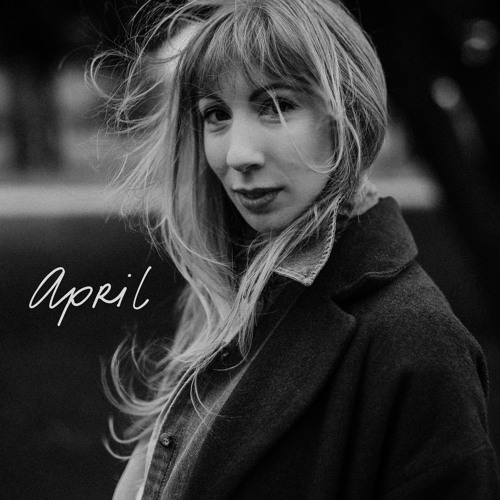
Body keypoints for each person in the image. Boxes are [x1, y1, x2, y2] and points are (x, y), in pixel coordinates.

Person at [92, 0, 500, 498]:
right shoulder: (221, 299)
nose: (238, 154)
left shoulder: (416, 341)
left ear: (345, 116)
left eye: (277, 106)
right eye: (216, 114)